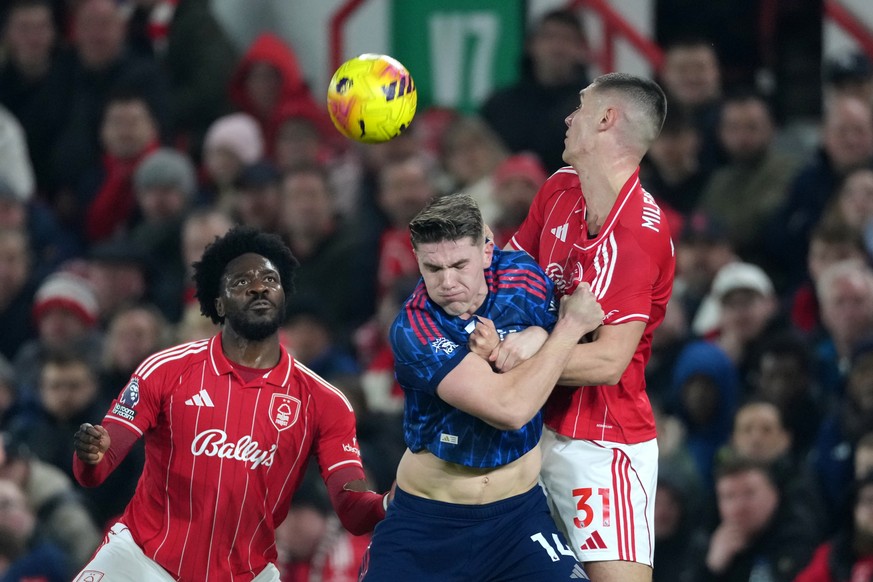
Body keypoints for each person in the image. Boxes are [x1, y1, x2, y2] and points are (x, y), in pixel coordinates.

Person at [71, 226, 388, 581]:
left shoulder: (325, 402)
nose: (258, 286)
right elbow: (96, 468)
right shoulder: (165, 369)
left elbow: (352, 511)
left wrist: (389, 503)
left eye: (270, 278)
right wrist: (91, 455)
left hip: (247, 575)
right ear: (218, 303)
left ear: (284, 294)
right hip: (141, 562)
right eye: (240, 282)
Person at [360, 193, 603, 581]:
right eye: (432, 268)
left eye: (459, 264)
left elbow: (573, 352)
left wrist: (537, 335)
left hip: (517, 519)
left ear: (487, 251)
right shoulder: (414, 328)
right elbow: (509, 410)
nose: (448, 282)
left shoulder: (524, 277)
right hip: (427, 526)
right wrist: (567, 328)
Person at [506, 73, 674, 581]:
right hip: (530, 425)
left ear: (606, 119)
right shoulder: (559, 189)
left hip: (601, 445)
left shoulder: (638, 233)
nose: (568, 117)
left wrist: (527, 351)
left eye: (579, 107)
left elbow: (607, 360)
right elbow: (509, 281)